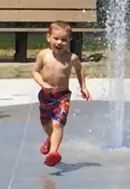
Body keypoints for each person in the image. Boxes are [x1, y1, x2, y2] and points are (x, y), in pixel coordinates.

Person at [33, 20, 91, 168]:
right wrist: (42, 84)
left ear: (69, 40)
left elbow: (80, 69)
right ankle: (50, 139)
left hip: (62, 96)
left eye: (64, 40)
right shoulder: (43, 55)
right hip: (46, 96)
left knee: (57, 124)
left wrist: (83, 87)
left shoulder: (71, 58)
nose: (59, 42)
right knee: (46, 123)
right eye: (56, 38)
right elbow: (35, 71)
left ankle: (53, 153)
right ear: (48, 37)